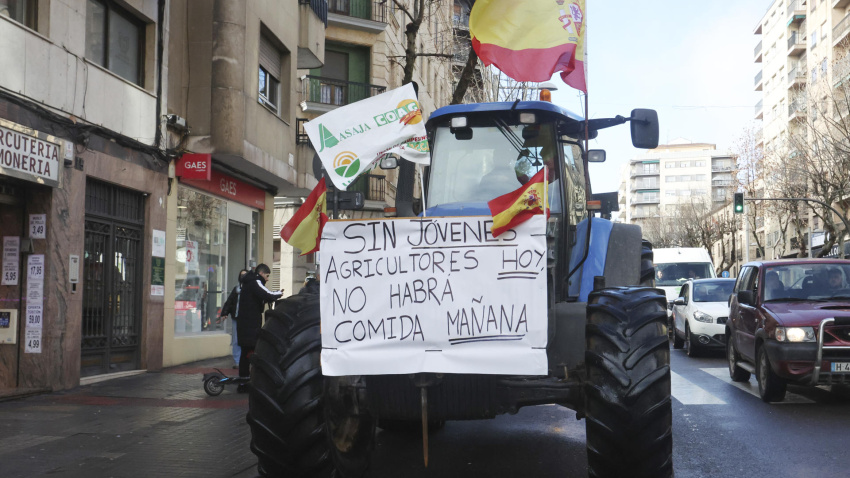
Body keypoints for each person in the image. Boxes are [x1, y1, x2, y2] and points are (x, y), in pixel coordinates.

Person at [236, 264, 284, 391]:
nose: (267, 279)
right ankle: (247, 382)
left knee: (246, 353)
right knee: (252, 353)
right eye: (267, 276)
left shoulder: (248, 283)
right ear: (262, 273)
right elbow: (266, 294)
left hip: (245, 325)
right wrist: (279, 293)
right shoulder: (255, 281)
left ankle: (243, 381)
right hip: (250, 325)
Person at [219, 269, 248, 369]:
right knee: (236, 340)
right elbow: (230, 302)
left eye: (245, 275)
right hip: (236, 318)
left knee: (246, 340)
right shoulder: (236, 289)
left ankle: (245, 360)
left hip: (246, 319)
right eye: (241, 275)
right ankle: (237, 361)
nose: (243, 277)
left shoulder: (251, 289)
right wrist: (225, 313)